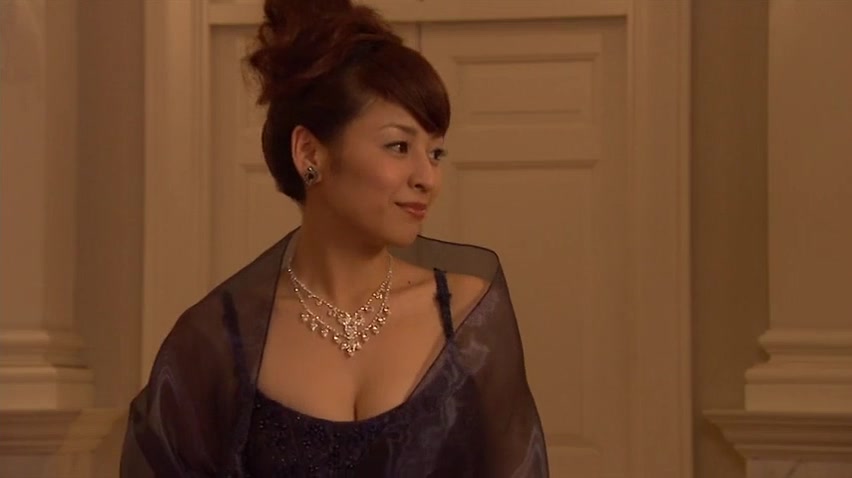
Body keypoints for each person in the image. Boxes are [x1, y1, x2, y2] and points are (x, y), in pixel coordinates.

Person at [120, 0, 548, 476]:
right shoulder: (217, 341)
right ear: (310, 153)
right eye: (399, 146)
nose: (428, 178)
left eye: (436, 153)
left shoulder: (468, 318)